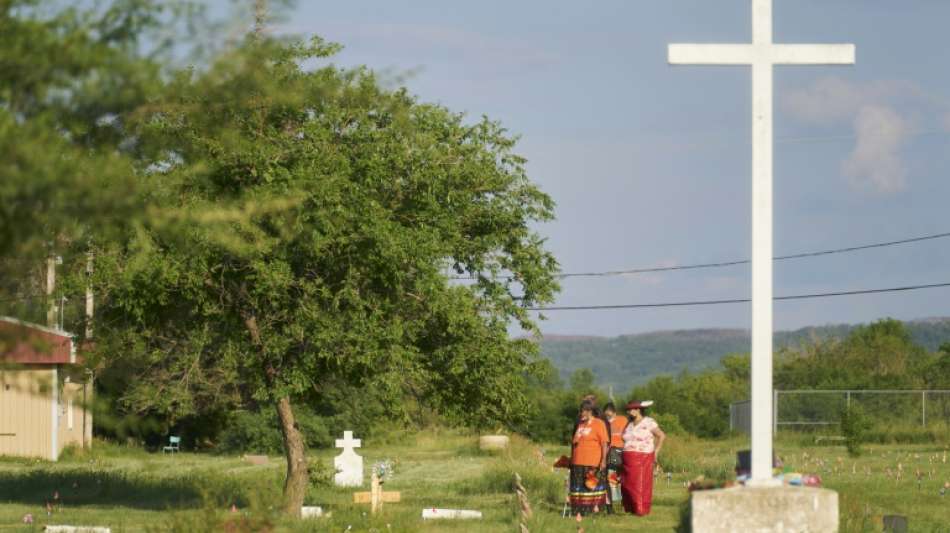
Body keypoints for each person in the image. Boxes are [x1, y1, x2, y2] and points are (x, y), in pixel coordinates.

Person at [621, 400, 666, 516]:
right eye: (628, 409)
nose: (629, 411)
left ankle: (640, 509)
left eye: (631, 409)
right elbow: (624, 438)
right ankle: (629, 508)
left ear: (638, 410)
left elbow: (661, 436)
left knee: (639, 484)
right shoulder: (629, 424)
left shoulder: (648, 422)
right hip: (627, 457)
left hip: (642, 457)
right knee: (627, 484)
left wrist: (656, 451)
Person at [569, 400, 609, 516]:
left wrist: (603, 460)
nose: (581, 413)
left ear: (590, 411)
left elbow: (604, 443)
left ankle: (592, 511)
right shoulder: (580, 424)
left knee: (590, 486)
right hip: (577, 461)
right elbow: (574, 443)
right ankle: (578, 511)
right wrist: (571, 458)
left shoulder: (599, 423)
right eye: (581, 411)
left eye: (584, 411)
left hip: (592, 461)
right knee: (578, 486)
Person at [603, 402, 627, 507]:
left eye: (609, 414)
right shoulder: (603, 422)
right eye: (606, 414)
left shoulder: (623, 420)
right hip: (610, 452)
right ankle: (609, 504)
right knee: (610, 477)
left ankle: (625, 502)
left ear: (614, 412)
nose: (607, 416)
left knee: (623, 478)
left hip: (622, 451)